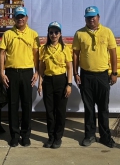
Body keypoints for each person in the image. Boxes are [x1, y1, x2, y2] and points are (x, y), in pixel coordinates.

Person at [72, 6, 118, 148]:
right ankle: (89, 135)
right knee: (89, 108)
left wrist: (114, 73)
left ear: (98, 17)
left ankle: (105, 136)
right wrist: (76, 73)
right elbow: (75, 54)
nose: (91, 19)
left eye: (93, 16)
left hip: (103, 76)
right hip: (86, 76)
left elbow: (113, 53)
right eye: (88, 16)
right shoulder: (79, 34)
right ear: (84, 18)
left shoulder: (107, 32)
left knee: (103, 108)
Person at [0, 6, 40, 147]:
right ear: (14, 19)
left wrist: (37, 72)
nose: (20, 19)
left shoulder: (33, 34)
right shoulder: (8, 34)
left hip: (27, 73)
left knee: (27, 105)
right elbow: (2, 54)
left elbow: (36, 55)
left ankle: (25, 135)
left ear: (27, 18)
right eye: (17, 17)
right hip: (11, 74)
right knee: (13, 105)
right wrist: (1, 73)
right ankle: (14, 134)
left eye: (22, 16)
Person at [37, 21, 73, 149]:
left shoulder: (65, 49)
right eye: (51, 32)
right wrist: (40, 83)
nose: (54, 35)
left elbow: (69, 68)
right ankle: (51, 137)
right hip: (48, 81)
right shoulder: (43, 49)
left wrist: (69, 84)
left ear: (60, 34)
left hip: (61, 81)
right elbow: (41, 68)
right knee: (49, 111)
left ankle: (58, 137)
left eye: (56, 32)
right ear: (48, 33)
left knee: (60, 111)